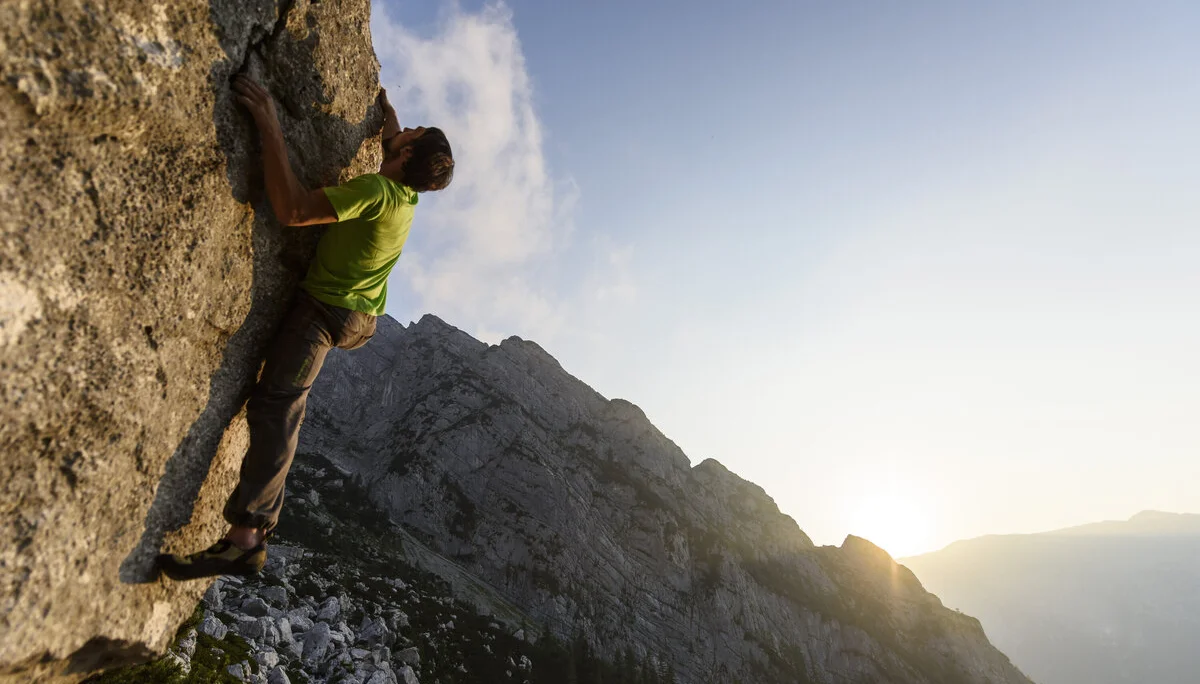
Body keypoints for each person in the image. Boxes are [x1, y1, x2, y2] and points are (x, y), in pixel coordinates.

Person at [158, 75, 454, 580]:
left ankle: (247, 537)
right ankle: (247, 530)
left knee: (278, 404)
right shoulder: (407, 195)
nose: (404, 131)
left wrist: (269, 120)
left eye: (412, 132)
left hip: (327, 312)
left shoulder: (378, 191)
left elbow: (294, 210)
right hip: (361, 316)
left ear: (408, 157)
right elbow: (395, 141)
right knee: (280, 400)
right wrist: (387, 111)